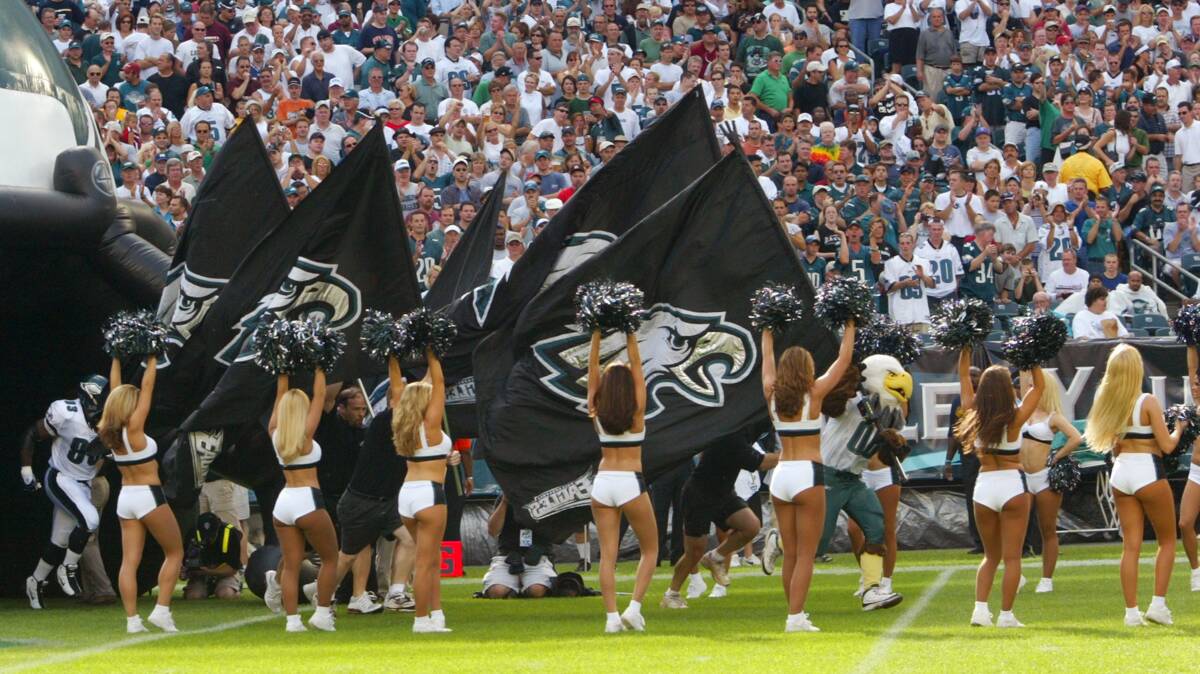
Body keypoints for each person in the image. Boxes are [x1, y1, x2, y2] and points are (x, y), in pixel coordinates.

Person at [761, 318, 860, 632]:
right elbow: (844, 361)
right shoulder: (814, 393)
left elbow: (766, 360)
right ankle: (795, 618)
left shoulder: (771, 394)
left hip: (780, 477)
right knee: (806, 553)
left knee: (790, 552)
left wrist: (766, 329)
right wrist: (850, 324)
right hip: (807, 474)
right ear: (806, 369)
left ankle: (795, 614)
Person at [1084, 345, 1185, 626]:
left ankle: (1130, 613)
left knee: (1131, 547)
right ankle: (1158, 605)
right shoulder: (1148, 401)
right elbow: (1167, 447)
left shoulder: (1107, 402)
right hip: (1147, 472)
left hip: (1121, 473)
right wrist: (1179, 428)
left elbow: (1116, 447)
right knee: (1167, 541)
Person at [956, 345, 1044, 628]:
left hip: (984, 487)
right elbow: (1039, 387)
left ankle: (979, 611)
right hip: (1012, 487)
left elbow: (961, 376)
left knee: (989, 557)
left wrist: (965, 348)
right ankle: (1006, 615)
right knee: (1012, 557)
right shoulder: (1015, 418)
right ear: (1008, 389)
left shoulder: (973, 413)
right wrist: (1032, 356)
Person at [99, 354, 182, 633]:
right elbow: (147, 388)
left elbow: (114, 391)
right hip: (149, 495)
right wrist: (152, 359)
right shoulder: (134, 429)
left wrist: (116, 358)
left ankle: (132, 620)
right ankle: (161, 610)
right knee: (175, 552)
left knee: (129, 562)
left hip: (125, 499)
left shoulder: (110, 434)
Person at [660, 426, 779, 607]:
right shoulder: (730, 435)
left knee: (751, 526)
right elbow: (759, 462)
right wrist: (792, 455)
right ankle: (672, 594)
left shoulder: (742, 430)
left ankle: (715, 556)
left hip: (723, 493)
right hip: (698, 495)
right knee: (694, 552)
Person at [587, 327, 657, 633]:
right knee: (650, 549)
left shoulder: (597, 409)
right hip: (630, 480)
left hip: (602, 483)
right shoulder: (637, 411)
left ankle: (611, 618)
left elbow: (591, 369)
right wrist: (630, 332)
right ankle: (634, 608)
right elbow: (638, 366)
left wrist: (597, 334)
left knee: (608, 555)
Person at [21, 375, 109, 609]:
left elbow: (103, 458)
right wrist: (27, 469)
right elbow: (33, 433)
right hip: (61, 477)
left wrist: (107, 449)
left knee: (59, 541)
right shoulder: (66, 413)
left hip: (83, 484)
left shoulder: (112, 423)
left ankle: (35, 580)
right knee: (90, 519)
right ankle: (67, 569)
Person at [262, 368, 338, 632]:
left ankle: (292, 621)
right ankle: (322, 613)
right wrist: (319, 366)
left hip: (283, 503)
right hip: (308, 500)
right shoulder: (305, 436)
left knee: (291, 564)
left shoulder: (275, 433)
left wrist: (283, 371)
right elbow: (320, 395)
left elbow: (280, 396)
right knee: (330, 559)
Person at [393, 348, 455, 633]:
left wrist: (392, 357)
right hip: (430, 494)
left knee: (429, 558)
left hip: (407, 494)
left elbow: (397, 387)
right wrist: (433, 351)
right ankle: (420, 619)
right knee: (426, 561)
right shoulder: (430, 425)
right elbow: (439, 383)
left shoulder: (402, 423)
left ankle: (437, 613)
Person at [1018, 374, 1082, 594]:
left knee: (1048, 529)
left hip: (1044, 478)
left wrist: (1056, 456)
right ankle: (1016, 574)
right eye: (1029, 385)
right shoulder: (1021, 412)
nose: (1029, 388)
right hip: (1022, 477)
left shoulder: (1053, 417)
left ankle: (1046, 579)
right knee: (1016, 529)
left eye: (1035, 385)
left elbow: (1076, 437)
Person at [482, 495, 557, 598]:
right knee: (496, 592)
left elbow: (556, 532)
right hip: (507, 557)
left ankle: (520, 588)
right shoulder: (504, 497)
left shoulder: (546, 495)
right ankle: (514, 588)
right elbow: (493, 531)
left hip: (537, 558)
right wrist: (504, 502)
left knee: (536, 590)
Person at [182, 513, 244, 600]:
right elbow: (183, 562)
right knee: (193, 596)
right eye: (204, 535)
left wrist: (209, 571)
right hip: (200, 576)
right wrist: (184, 571)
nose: (209, 539)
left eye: (211, 535)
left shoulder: (230, 533)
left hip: (224, 573)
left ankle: (234, 589)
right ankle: (205, 588)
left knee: (226, 594)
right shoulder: (192, 534)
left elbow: (233, 568)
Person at [1181, 346, 1200, 593]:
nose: (1194, 387)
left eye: (1198, 384)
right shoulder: (1193, 410)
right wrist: (1191, 343)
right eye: (1194, 384)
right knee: (1185, 523)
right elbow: (1191, 366)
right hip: (1196, 472)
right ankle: (1196, 570)